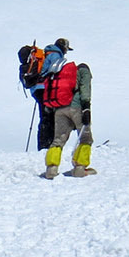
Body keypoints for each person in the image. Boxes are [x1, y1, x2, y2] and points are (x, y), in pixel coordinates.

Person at [37, 39, 95, 179]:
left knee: (58, 140)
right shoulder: (83, 71)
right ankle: (80, 167)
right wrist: (86, 108)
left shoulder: (64, 71)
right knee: (86, 138)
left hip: (59, 108)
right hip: (76, 107)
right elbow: (84, 90)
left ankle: (51, 169)